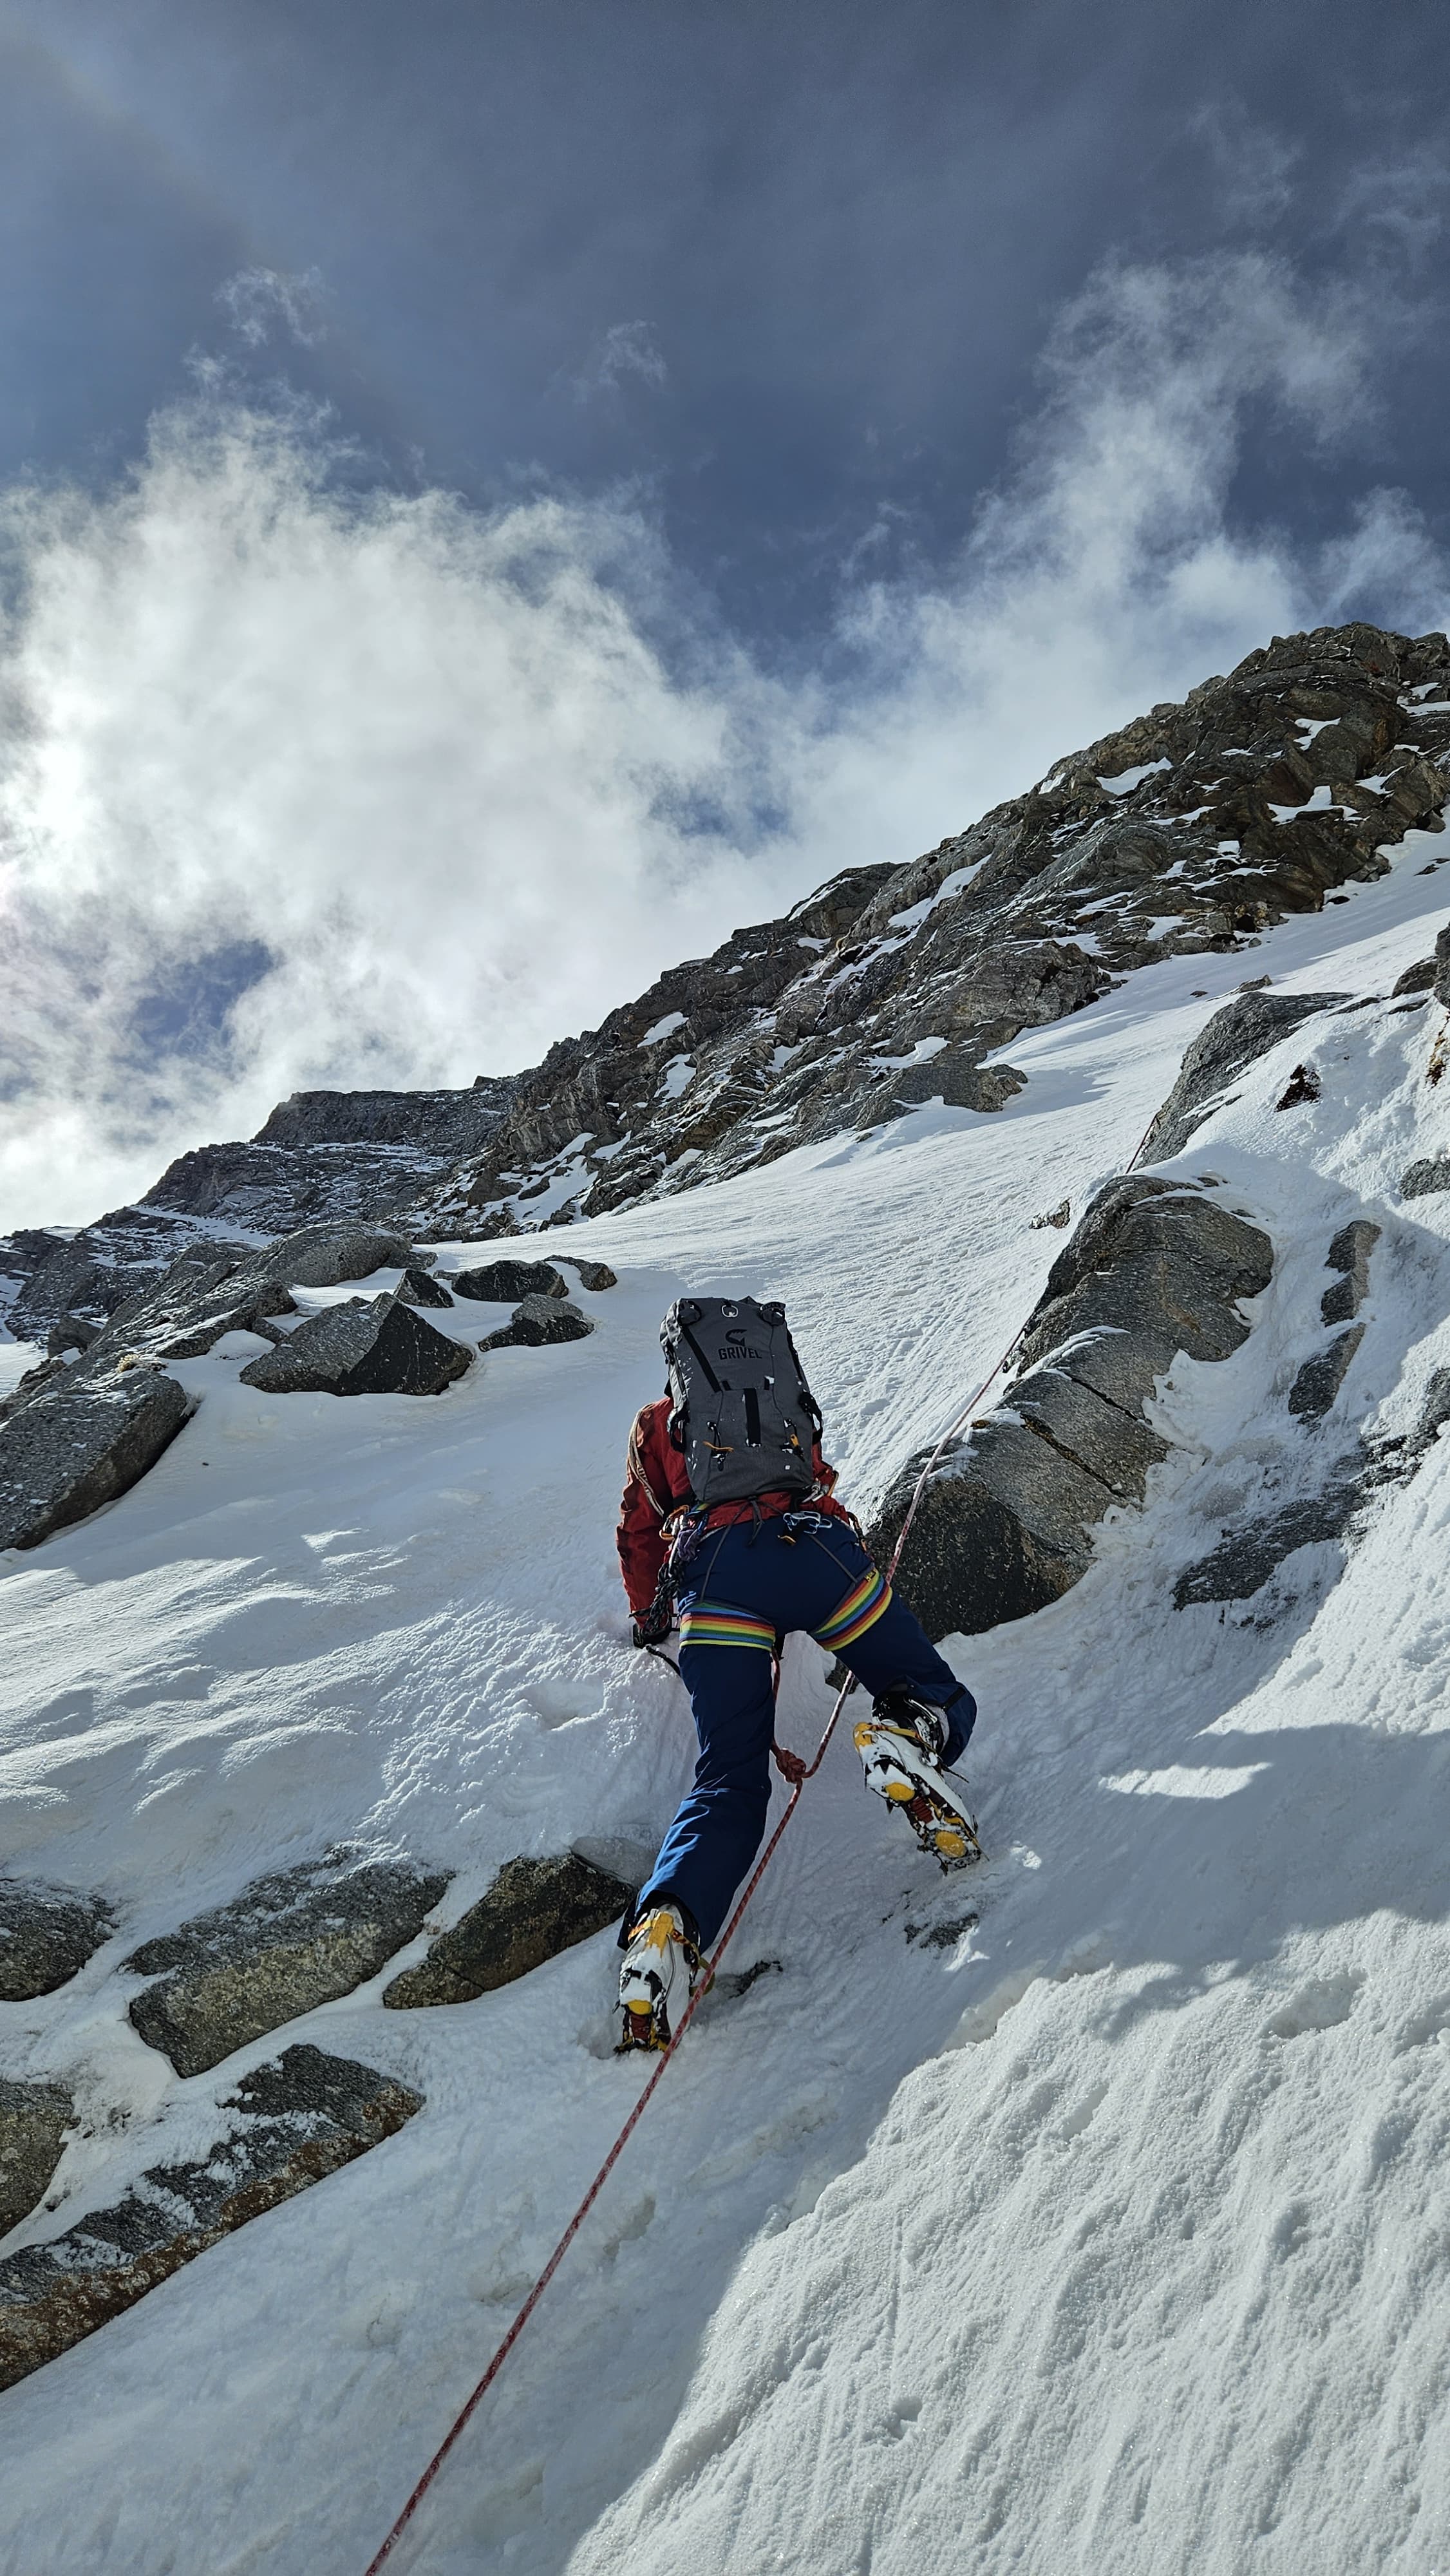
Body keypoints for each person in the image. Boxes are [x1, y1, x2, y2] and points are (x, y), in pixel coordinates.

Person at [614, 1305, 977, 2050]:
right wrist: (850, 1555)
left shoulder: (657, 1424)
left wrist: (649, 1619)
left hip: (716, 1584)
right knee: (935, 1688)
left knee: (729, 1782)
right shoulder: (777, 1397)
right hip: (812, 1555)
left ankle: (668, 1922)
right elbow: (814, 1484)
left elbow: (639, 1529)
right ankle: (906, 1732)